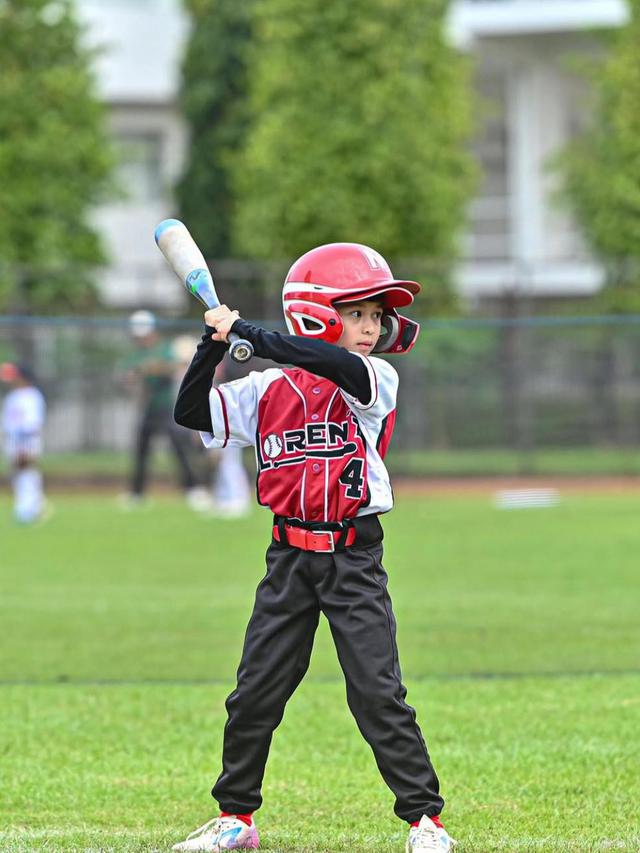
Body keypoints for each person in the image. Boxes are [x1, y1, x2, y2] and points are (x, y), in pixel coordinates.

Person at [172, 243, 456, 853]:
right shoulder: (265, 389)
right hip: (288, 562)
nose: (372, 329)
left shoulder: (374, 379)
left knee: (378, 693)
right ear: (315, 312)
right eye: (358, 314)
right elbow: (191, 411)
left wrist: (248, 330)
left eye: (377, 317)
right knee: (254, 693)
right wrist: (213, 345)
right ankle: (236, 820)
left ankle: (424, 821)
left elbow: (329, 365)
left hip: (354, 560)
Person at [120, 310, 208, 510]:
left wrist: (153, 368)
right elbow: (128, 376)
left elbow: (174, 366)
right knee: (141, 450)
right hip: (148, 409)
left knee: (179, 448)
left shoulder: (165, 349)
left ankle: (193, 488)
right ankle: (137, 493)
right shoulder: (137, 355)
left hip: (167, 407)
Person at [0, 361, 47, 524]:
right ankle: (28, 506)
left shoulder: (32, 396)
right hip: (13, 441)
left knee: (27, 472)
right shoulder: (13, 397)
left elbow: (32, 423)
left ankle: (30, 508)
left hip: (26, 440)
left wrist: (25, 446)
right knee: (17, 475)